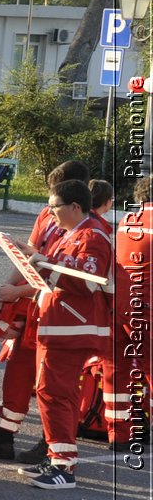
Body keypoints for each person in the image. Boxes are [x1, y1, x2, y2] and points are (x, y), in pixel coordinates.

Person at [0, 160, 91, 462]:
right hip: (36, 306)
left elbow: (59, 277)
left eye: (55, 201)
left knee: (54, 386)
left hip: (58, 314)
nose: (49, 208)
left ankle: (52, 443)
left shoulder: (88, 230)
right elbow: (31, 260)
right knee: (18, 369)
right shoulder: (48, 216)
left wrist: (17, 291)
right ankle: (3, 433)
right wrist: (7, 289)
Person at [20, 178, 113, 489]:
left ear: (75, 207)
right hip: (59, 324)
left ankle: (63, 466)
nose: (50, 212)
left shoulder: (94, 236)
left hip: (71, 327)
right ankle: (58, 457)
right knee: (57, 392)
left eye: (54, 206)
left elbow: (89, 281)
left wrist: (46, 265)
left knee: (53, 392)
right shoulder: (70, 233)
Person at [108, 175, 153, 455]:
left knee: (122, 369)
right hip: (148, 306)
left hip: (123, 305)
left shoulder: (127, 221)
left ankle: (120, 432)